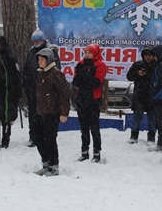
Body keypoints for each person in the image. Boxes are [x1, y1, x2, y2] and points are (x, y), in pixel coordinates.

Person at [33, 47, 70, 176]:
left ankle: (54, 165)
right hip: (41, 111)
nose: (40, 61)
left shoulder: (56, 73)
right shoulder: (41, 73)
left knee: (50, 139)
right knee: (38, 137)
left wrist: (64, 112)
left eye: (42, 59)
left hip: (52, 112)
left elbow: (65, 93)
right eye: (39, 59)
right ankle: (46, 162)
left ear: (48, 60)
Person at [22, 29, 61, 147]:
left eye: (38, 42)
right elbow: (26, 69)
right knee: (33, 115)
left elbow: (56, 70)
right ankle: (33, 136)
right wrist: (25, 84)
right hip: (33, 90)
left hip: (46, 92)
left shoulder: (51, 52)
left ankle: (46, 136)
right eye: (33, 42)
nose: (35, 44)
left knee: (45, 116)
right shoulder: (30, 53)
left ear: (43, 41)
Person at [72, 43, 106, 162]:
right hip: (81, 99)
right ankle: (84, 151)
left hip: (93, 100)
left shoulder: (100, 65)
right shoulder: (80, 64)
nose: (87, 55)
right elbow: (75, 82)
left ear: (95, 54)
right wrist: (82, 75)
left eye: (89, 52)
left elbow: (97, 82)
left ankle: (96, 152)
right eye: (86, 52)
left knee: (94, 127)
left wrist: (85, 75)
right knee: (84, 127)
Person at [126, 45, 157, 144]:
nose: (148, 57)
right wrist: (137, 74)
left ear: (153, 56)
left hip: (152, 95)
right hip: (139, 95)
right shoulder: (137, 64)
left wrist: (148, 75)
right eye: (146, 55)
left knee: (152, 118)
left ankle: (151, 137)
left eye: (150, 55)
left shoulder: (157, 65)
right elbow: (129, 76)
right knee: (137, 117)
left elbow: (159, 79)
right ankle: (134, 136)